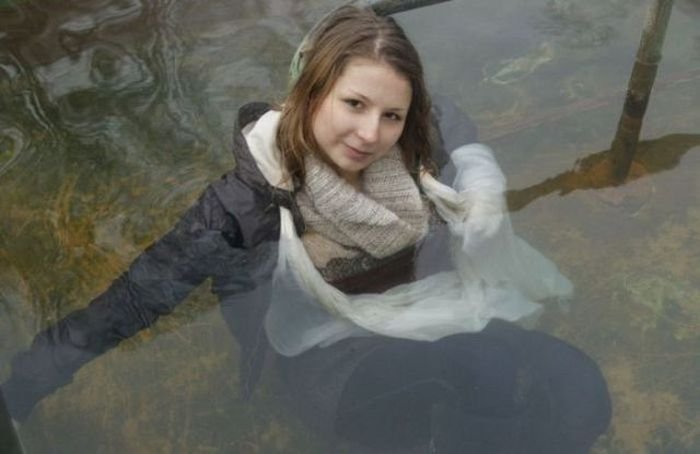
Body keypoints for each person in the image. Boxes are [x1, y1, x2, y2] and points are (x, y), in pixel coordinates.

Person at [0, 5, 611, 453]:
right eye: (353, 104)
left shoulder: (416, 139)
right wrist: (19, 390)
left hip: (437, 314)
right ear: (310, 92)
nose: (370, 134)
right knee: (468, 379)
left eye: (390, 115)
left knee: (581, 393)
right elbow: (134, 300)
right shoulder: (244, 206)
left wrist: (479, 175)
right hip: (333, 362)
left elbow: (453, 120)